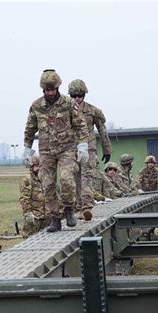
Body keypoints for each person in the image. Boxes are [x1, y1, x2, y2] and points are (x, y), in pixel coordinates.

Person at [23, 69, 89, 233]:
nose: (50, 93)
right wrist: (27, 149)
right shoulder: (37, 106)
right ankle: (55, 218)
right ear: (43, 90)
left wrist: (83, 145)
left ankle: (68, 209)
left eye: (53, 89)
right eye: (47, 90)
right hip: (46, 151)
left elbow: (81, 125)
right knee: (47, 184)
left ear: (58, 88)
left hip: (66, 148)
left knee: (67, 179)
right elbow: (30, 129)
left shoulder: (68, 103)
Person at [68, 79, 112, 220]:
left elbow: (102, 130)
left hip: (89, 149)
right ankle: (79, 207)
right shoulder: (64, 112)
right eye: (74, 96)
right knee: (75, 178)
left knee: (86, 176)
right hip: (72, 150)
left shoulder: (93, 111)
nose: (77, 98)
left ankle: (86, 207)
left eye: (80, 95)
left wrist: (107, 149)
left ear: (84, 95)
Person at [19, 155, 49, 238]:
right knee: (30, 240)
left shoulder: (45, 178)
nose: (38, 168)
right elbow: (24, 198)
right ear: (31, 167)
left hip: (46, 217)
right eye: (36, 166)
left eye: (40, 166)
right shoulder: (27, 180)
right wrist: (28, 214)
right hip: (34, 217)